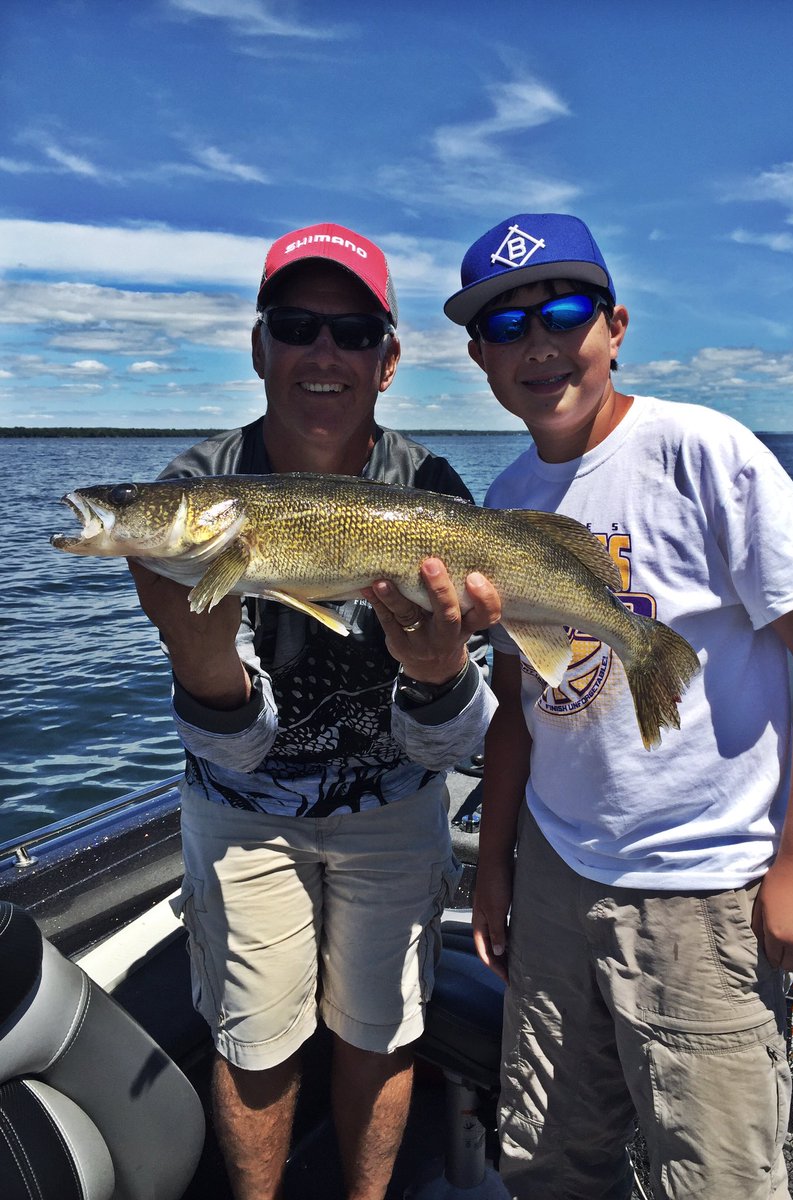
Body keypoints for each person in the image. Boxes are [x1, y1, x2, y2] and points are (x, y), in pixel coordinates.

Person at [444, 212, 793, 1200]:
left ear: (616, 325)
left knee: (714, 1171)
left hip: (705, 886)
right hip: (554, 875)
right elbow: (519, 702)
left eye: (562, 311)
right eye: (507, 328)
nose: (540, 343)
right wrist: (497, 865)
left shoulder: (704, 451)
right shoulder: (505, 499)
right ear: (478, 357)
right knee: (549, 1154)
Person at [128, 221, 500, 1200]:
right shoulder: (194, 493)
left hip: (399, 804)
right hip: (245, 813)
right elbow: (238, 747)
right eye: (297, 326)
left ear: (387, 360)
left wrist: (437, 674)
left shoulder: (432, 490)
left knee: (380, 1031)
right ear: (260, 347)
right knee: (255, 1038)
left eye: (350, 333)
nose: (323, 353)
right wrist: (203, 658)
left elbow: (459, 742)